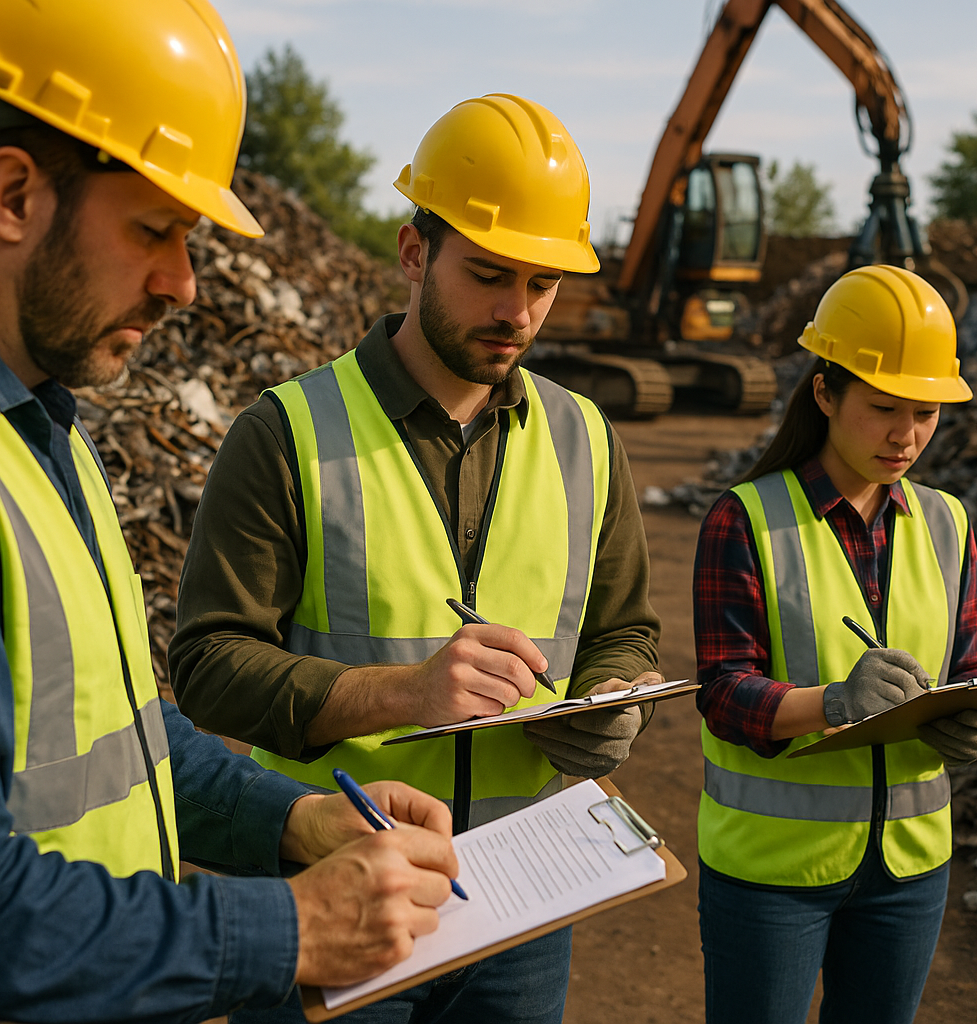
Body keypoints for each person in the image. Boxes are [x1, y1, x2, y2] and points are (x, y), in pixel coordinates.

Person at [0, 2, 462, 1021]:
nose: (183, 284)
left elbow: (123, 737)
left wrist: (297, 819)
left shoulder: (49, 435)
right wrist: (287, 927)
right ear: (12, 192)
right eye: (155, 231)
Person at [169, 93, 662, 1023]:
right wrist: (400, 693)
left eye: (542, 284)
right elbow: (206, 668)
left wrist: (612, 708)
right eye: (487, 274)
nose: (516, 312)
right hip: (348, 877)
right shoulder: (286, 433)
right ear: (412, 252)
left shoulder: (587, 438)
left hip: (528, 892)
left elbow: (624, 630)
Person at [692, 264, 977, 1024]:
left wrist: (975, 719)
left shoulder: (947, 523)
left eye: (926, 412)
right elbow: (724, 692)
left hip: (910, 868)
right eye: (885, 408)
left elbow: (972, 666)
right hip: (770, 873)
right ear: (824, 394)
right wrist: (832, 702)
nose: (907, 435)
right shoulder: (746, 519)